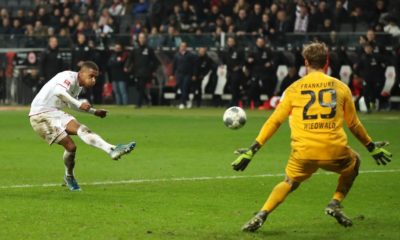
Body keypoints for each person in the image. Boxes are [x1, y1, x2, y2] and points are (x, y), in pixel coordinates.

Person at [231, 42, 392, 232]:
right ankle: (335, 202)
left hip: (304, 152)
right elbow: (354, 124)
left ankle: (262, 214)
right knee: (355, 160)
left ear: (306, 62)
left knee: (289, 182)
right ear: (327, 62)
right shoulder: (341, 88)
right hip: (335, 151)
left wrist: (253, 149)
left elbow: (274, 121)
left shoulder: (293, 89)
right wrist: (371, 146)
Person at [29, 61, 135, 191]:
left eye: (95, 77)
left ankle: (111, 149)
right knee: (71, 147)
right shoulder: (67, 76)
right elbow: (59, 92)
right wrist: (80, 104)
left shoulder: (77, 86)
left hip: (55, 112)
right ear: (82, 72)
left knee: (83, 129)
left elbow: (71, 105)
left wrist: (94, 112)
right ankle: (69, 177)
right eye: (91, 76)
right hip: (40, 116)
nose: (93, 80)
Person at [124, 33, 160, 108]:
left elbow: (155, 61)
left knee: (141, 87)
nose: (142, 39)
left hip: (145, 72)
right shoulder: (135, 49)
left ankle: (139, 104)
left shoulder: (149, 49)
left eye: (143, 37)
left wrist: (152, 70)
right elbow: (130, 59)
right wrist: (126, 66)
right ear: (138, 39)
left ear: (145, 39)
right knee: (138, 87)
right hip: (136, 72)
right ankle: (147, 99)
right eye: (140, 37)